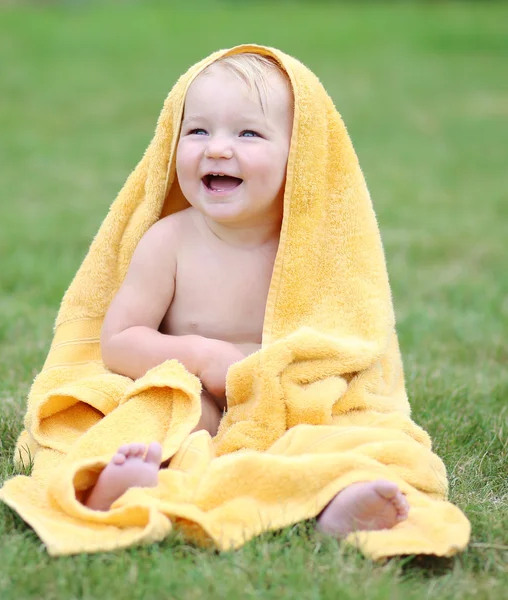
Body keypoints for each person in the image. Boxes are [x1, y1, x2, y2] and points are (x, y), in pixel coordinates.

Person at [83, 53, 409, 536]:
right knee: (166, 414)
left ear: (297, 154)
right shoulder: (170, 242)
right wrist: (197, 355)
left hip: (286, 401)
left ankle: (337, 501)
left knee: (339, 438)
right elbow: (119, 341)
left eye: (247, 133)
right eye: (197, 131)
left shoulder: (311, 248)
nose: (216, 149)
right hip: (202, 398)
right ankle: (131, 483)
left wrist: (291, 384)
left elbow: (346, 337)